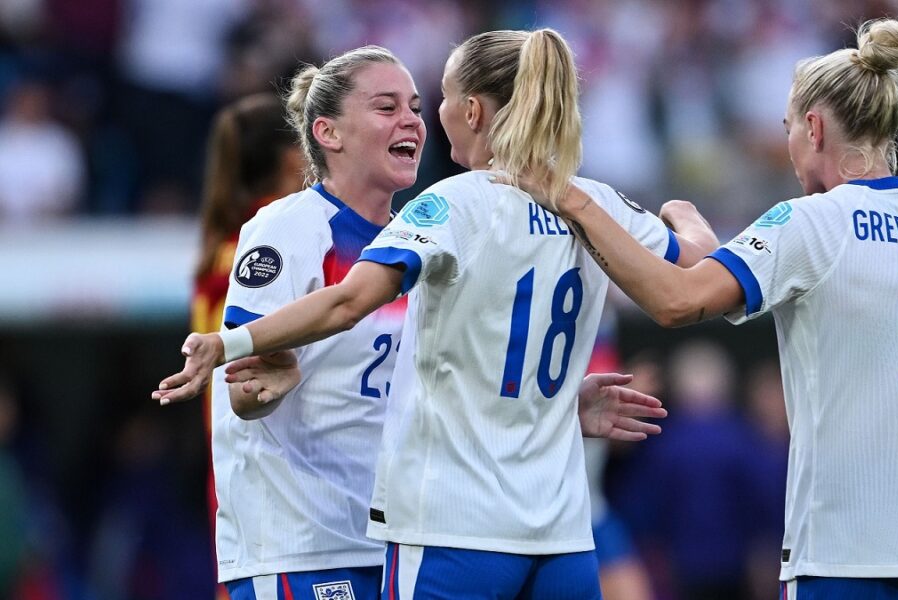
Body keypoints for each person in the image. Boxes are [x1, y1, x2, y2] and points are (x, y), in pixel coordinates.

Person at [154, 28, 718, 598]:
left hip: (401, 532)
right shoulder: (289, 228)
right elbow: (246, 392)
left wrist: (556, 404)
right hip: (306, 539)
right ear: (327, 132)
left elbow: (441, 377)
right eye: (387, 107)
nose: (414, 120)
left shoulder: (431, 232)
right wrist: (257, 378)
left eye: (420, 106)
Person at [501, 18, 898, 599]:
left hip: (847, 552)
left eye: (788, 129)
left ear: (813, 128)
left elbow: (674, 301)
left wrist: (572, 198)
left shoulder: (811, 222)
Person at [190, 92, 305, 600]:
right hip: (269, 463)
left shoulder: (222, 246)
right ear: (294, 159)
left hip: (236, 458)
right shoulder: (267, 247)